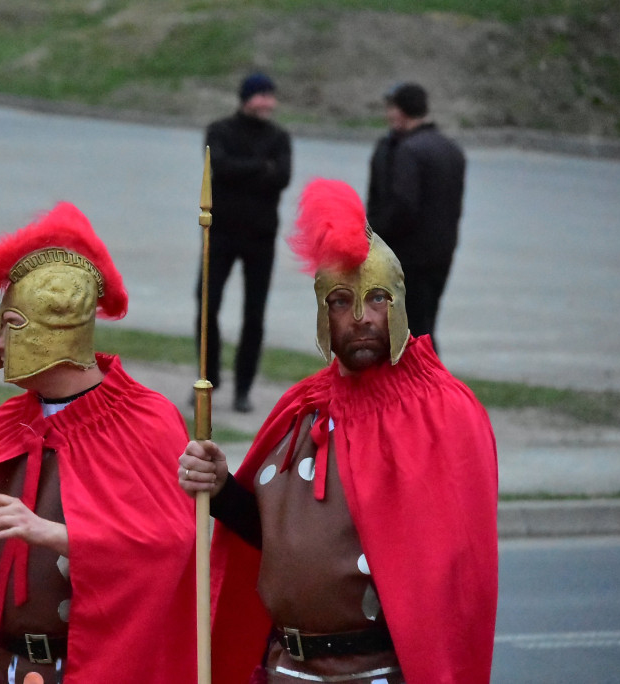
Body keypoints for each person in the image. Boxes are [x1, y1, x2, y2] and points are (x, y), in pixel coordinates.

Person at [178, 179, 498, 683]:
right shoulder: (302, 408)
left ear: (398, 304)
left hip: (375, 671)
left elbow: (453, 578)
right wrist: (221, 489)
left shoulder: (440, 412)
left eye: (376, 299)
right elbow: (270, 538)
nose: (362, 318)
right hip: (287, 668)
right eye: (342, 301)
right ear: (323, 312)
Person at [0, 202, 197, 684]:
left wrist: (52, 533)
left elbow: (168, 550)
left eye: (13, 327)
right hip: (1, 668)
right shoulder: (1, 425)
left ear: (58, 332)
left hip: (96, 667)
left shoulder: (146, 420)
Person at [200, 71, 292, 412]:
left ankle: (243, 388)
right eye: (261, 95)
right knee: (207, 305)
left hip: (260, 237)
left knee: (254, 315)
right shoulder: (219, 130)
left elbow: (282, 177)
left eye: (271, 95)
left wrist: (248, 171)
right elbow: (219, 169)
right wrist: (261, 169)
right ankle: (209, 377)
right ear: (246, 98)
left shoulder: (280, 137)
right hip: (220, 234)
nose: (268, 102)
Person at [366, 82, 466, 354]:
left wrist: (371, 236)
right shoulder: (451, 150)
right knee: (426, 326)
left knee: (405, 331)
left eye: (391, 108)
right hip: (441, 254)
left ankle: (416, 392)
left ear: (400, 112)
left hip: (408, 257)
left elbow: (403, 207)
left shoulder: (408, 152)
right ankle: (432, 390)